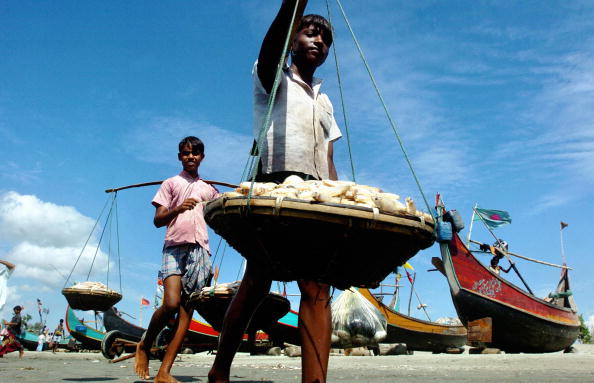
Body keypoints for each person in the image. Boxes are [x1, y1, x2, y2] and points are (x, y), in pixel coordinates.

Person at [208, 2, 341, 382]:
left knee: (316, 286)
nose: (319, 41)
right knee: (256, 282)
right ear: (293, 40)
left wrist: (335, 196)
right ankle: (220, 370)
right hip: (274, 183)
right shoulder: (272, 76)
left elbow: (328, 157)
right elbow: (271, 47)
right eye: (310, 32)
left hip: (315, 195)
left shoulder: (326, 101)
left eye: (326, 39)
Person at [134, 136, 218, 383]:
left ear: (202, 157)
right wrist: (179, 208)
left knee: (186, 313)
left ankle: (164, 372)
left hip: (200, 250)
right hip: (173, 247)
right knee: (170, 303)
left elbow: (218, 216)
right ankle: (145, 344)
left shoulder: (209, 189)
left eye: (195, 153)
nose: (190, 157)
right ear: (180, 156)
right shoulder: (170, 183)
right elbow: (158, 220)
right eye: (185, 153)